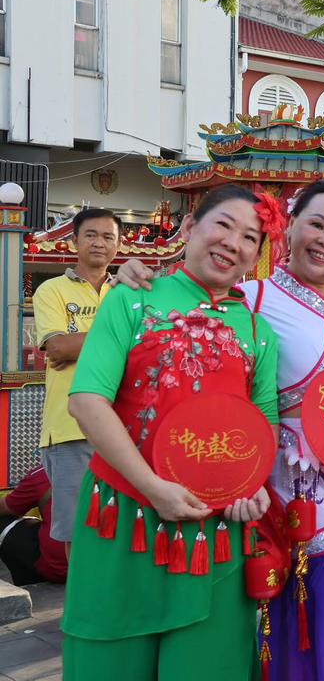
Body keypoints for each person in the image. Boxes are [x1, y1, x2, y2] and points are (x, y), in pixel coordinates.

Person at [113, 181, 324, 680]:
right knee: (317, 627)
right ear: (289, 227)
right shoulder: (249, 300)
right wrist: (136, 276)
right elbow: (182, 322)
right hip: (294, 499)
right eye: (317, 224)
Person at [63, 184, 280, 679]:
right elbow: (87, 401)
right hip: (123, 520)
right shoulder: (132, 299)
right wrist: (152, 487)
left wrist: (253, 487)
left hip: (214, 535)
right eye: (223, 224)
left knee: (210, 667)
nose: (233, 243)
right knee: (108, 662)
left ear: (256, 257)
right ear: (189, 227)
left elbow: (263, 421)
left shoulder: (258, 331)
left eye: (250, 237)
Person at [33, 207, 119, 555]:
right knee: (80, 532)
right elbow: (57, 347)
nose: (99, 243)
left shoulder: (126, 293)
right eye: (91, 235)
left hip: (125, 426)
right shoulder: (51, 290)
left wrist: (78, 346)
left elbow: (147, 345)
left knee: (123, 529)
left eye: (108, 236)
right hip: (70, 428)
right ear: (74, 241)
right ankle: (80, 594)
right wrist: (122, 338)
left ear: (118, 245)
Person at [0, 465, 68, 585]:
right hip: (97, 568)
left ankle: (27, 583)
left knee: (4, 522)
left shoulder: (45, 472)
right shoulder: (101, 469)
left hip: (59, 569)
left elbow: (7, 507)